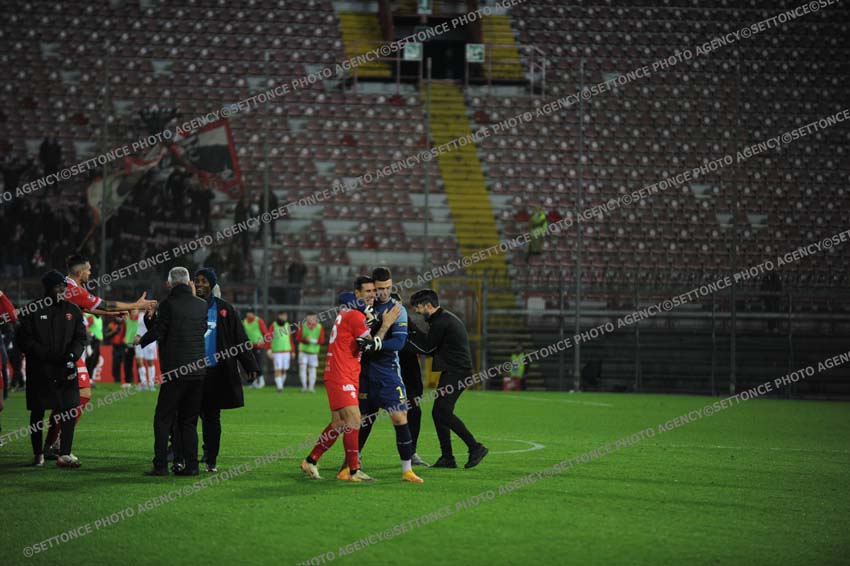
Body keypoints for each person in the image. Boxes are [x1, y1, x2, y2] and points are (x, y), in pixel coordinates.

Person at [43, 254, 156, 458]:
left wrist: (111, 314)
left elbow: (91, 308)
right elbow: (105, 304)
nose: (90, 272)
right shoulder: (73, 289)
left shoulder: (70, 288)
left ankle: (51, 443)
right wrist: (135, 305)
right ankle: (58, 442)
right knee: (83, 395)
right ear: (79, 272)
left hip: (66, 348)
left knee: (63, 402)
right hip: (69, 350)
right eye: (88, 269)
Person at [300, 277, 400, 482]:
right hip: (342, 373)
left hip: (343, 372)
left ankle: (311, 460)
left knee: (339, 422)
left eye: (373, 291)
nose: (372, 295)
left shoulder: (349, 312)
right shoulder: (355, 316)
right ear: (357, 294)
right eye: (367, 291)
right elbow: (369, 346)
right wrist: (385, 325)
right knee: (355, 420)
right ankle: (353, 470)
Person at [347, 267, 423, 482]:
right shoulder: (363, 306)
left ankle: (407, 470)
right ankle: (352, 464)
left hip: (388, 372)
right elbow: (345, 302)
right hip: (363, 372)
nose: (384, 292)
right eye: (380, 288)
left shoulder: (397, 309)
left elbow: (398, 342)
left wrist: (374, 344)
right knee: (361, 419)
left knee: (399, 417)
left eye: (388, 288)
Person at [408, 289, 488, 469]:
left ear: (428, 305)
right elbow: (428, 342)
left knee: (442, 412)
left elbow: (427, 349)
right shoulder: (442, 318)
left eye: (418, 307)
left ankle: (475, 447)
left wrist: (404, 340)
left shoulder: (441, 322)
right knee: (439, 413)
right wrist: (411, 328)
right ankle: (447, 457)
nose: (417, 311)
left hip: (457, 373)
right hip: (454, 371)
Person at [139, 267, 207, 476]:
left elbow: (160, 331)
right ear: (188, 282)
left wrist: (142, 339)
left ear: (169, 283)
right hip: (197, 371)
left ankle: (160, 465)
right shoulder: (201, 305)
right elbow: (202, 329)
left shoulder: (167, 304)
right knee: (189, 421)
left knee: (163, 418)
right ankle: (192, 466)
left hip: (175, 371)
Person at [17, 271, 87, 468]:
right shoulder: (31, 310)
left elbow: (81, 338)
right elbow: (24, 340)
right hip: (40, 370)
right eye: (58, 286)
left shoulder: (73, 310)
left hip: (66, 369)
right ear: (48, 288)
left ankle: (65, 453)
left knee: (69, 409)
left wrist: (72, 355)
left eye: (64, 286)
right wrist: (46, 354)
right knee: (38, 412)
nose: (63, 290)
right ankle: (38, 454)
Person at [192, 268, 259, 472]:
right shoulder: (188, 306)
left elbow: (239, 337)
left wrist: (250, 365)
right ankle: (186, 459)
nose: (200, 284)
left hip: (215, 373)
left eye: (204, 281)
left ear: (212, 285)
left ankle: (210, 459)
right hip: (190, 373)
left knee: (211, 417)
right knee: (187, 417)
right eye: (197, 280)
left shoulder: (225, 309)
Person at [296, 312, 325, 393]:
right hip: (303, 351)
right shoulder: (303, 326)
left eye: (313, 318)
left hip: (313, 352)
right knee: (302, 368)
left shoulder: (319, 327)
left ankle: (311, 387)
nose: (311, 319)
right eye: (309, 318)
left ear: (316, 318)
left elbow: (321, 340)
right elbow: (298, 338)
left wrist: (311, 340)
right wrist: (305, 340)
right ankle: (304, 387)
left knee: (312, 369)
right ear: (307, 318)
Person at [267, 310, 295, 392]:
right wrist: (269, 349)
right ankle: (280, 387)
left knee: (284, 370)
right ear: (279, 316)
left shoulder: (287, 325)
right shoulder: (273, 325)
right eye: (283, 315)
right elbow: (268, 337)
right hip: (277, 352)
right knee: (278, 369)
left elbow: (290, 339)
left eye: (286, 316)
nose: (285, 317)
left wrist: (293, 351)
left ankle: (280, 384)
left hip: (286, 351)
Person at [242, 310, 269, 389]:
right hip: (249, 346)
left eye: (250, 313)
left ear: (253, 314)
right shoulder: (244, 322)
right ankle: (253, 382)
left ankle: (261, 381)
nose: (248, 314)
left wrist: (265, 342)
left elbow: (265, 332)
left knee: (257, 363)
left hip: (258, 346)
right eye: (247, 312)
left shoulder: (259, 320)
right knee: (251, 364)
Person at [134, 311, 158, 391]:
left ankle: (151, 384)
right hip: (139, 339)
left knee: (150, 362)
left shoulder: (154, 314)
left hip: (149, 341)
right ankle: (143, 383)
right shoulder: (139, 314)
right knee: (139, 362)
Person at [83, 312, 103, 382]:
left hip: (97, 341)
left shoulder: (99, 318)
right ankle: (88, 378)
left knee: (95, 359)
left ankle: (90, 378)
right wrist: (90, 335)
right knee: (90, 359)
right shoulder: (90, 316)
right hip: (91, 340)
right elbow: (86, 327)